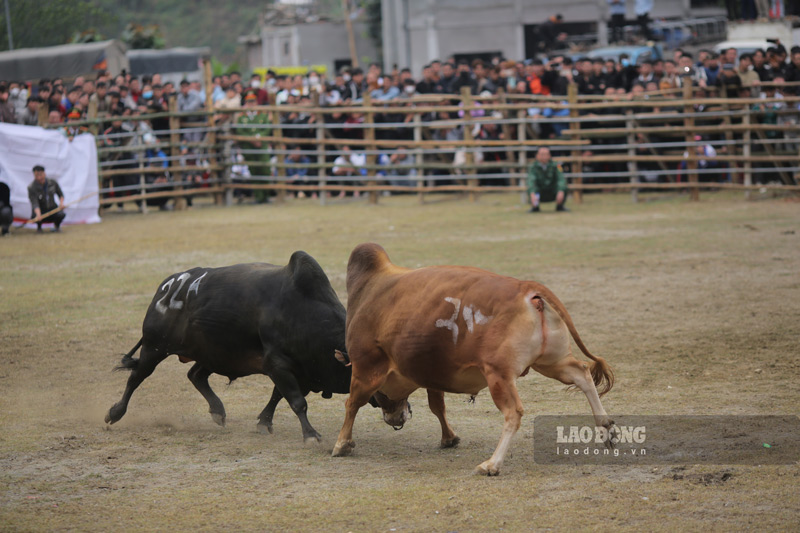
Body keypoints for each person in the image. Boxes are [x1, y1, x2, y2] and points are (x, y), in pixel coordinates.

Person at [526, 147, 568, 212]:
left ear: (550, 155)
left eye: (546, 154)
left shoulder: (557, 165)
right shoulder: (532, 167)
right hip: (540, 192)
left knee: (564, 187)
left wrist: (560, 190)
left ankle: (560, 206)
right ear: (537, 156)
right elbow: (531, 181)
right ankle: (535, 207)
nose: (544, 156)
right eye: (542, 154)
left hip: (552, 191)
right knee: (531, 189)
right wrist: (532, 193)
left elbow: (561, 178)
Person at [27, 165, 66, 232]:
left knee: (61, 214)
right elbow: (34, 202)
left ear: (44, 173)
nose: (39, 178)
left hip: (52, 208)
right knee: (35, 215)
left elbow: (60, 194)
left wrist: (61, 204)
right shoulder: (31, 187)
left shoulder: (52, 183)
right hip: (41, 210)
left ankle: (57, 226)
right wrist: (38, 214)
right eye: (36, 175)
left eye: (40, 175)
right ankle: (39, 228)